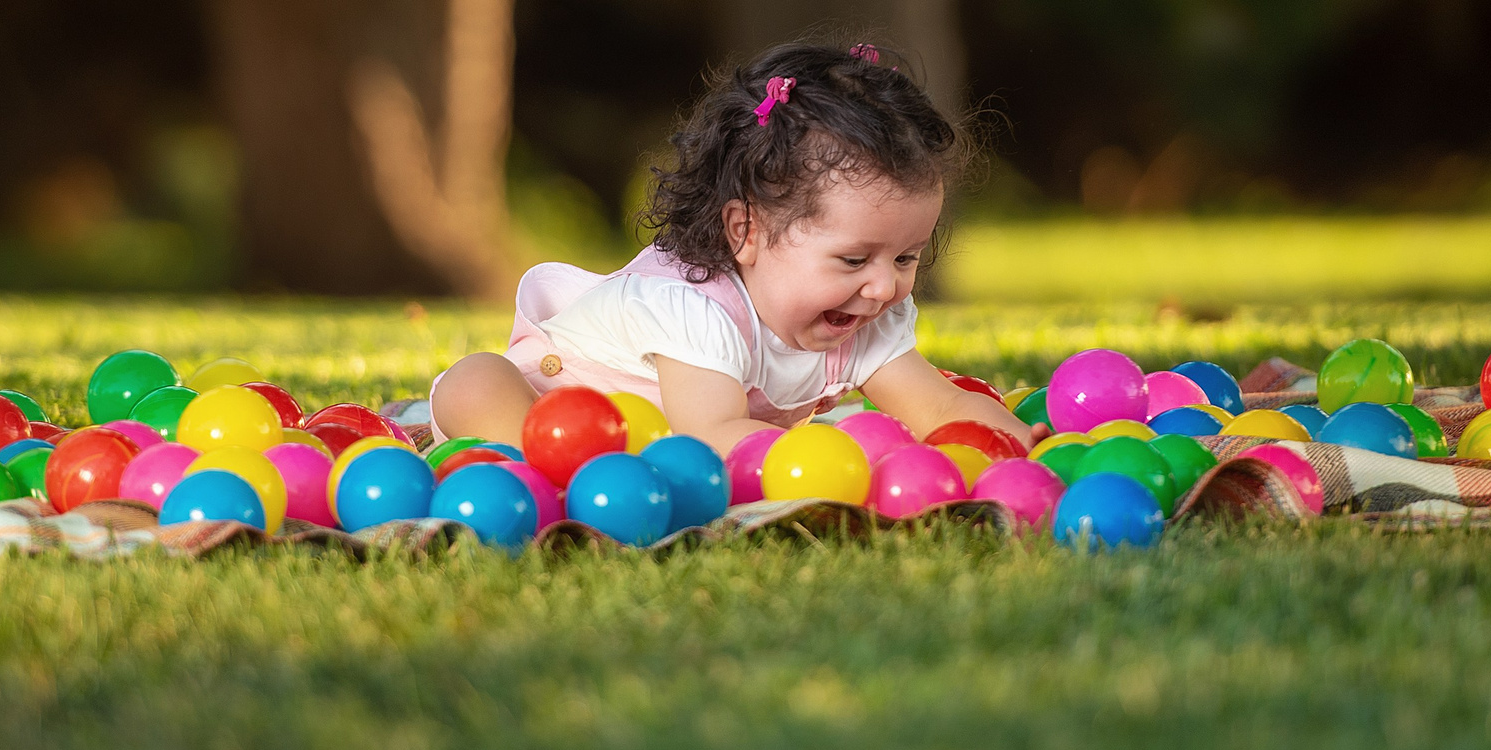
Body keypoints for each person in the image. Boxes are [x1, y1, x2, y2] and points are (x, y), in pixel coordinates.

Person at [430, 40, 1040, 458]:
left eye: (906, 258)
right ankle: (536, 475)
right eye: (854, 260)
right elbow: (716, 434)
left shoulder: (863, 314)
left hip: (650, 457)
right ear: (745, 233)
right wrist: (842, 459)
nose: (884, 286)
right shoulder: (695, 308)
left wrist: (1022, 446)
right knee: (475, 381)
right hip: (548, 402)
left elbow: (936, 406)